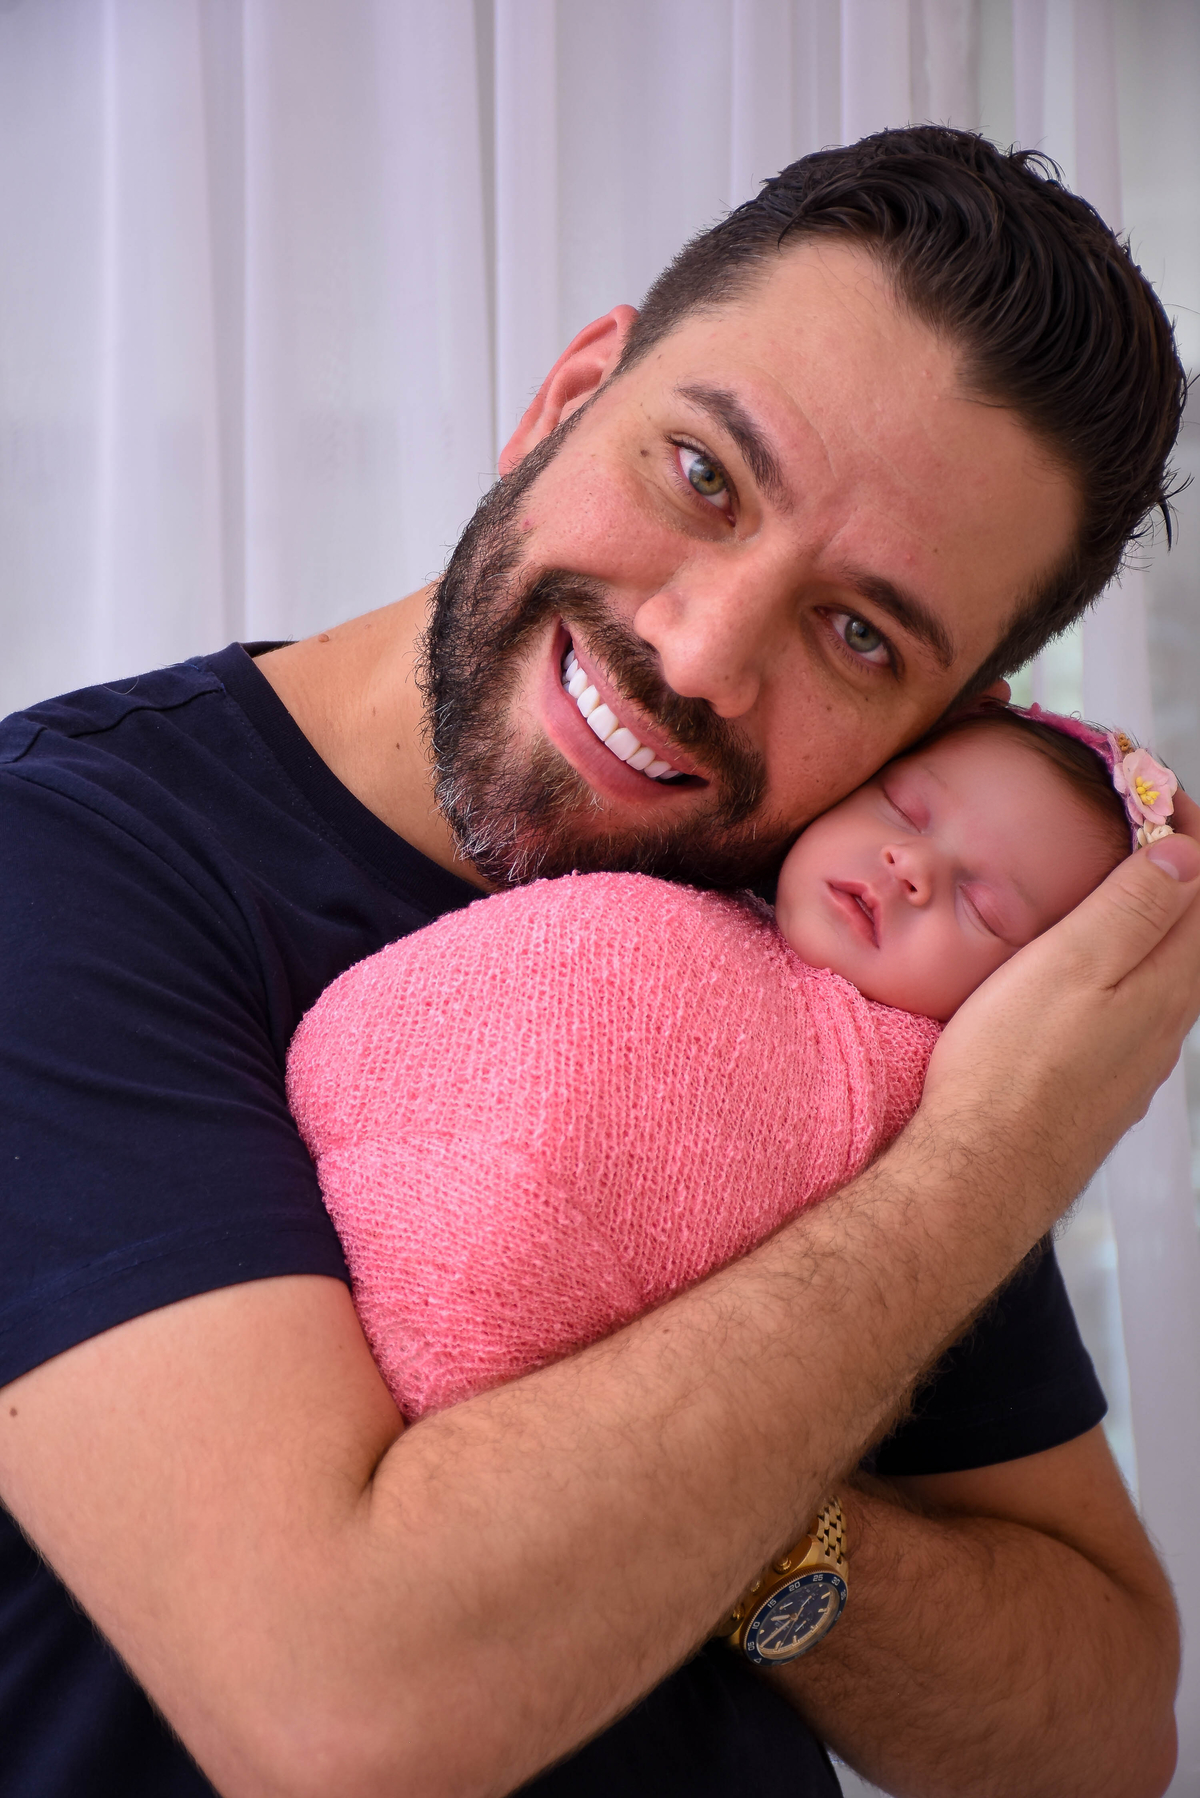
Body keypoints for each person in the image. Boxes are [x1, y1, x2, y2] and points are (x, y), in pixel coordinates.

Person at [0, 126, 1196, 1798]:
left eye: (861, 634)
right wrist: (997, 1159)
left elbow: (1100, 1731)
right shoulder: (62, 860)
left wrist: (753, 1524)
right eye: (703, 474)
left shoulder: (835, 969)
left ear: (942, 723)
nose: (698, 651)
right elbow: (344, 1715)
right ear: (569, 397)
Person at [290, 706, 1146, 1422]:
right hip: (312, 1168)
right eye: (903, 808)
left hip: (494, 1346)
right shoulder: (698, 849)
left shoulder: (930, 1137)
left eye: (981, 905)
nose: (911, 865)